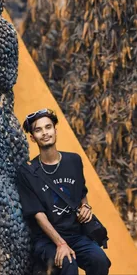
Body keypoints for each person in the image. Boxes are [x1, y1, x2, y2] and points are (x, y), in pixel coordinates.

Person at [17, 108, 111, 275]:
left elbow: (81, 192)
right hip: (47, 240)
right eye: (38, 130)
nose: (44, 133)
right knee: (68, 264)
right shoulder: (28, 172)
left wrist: (85, 208)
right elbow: (38, 215)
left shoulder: (74, 160)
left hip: (76, 235)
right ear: (32, 137)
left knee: (100, 261)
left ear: (55, 130)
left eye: (48, 127)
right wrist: (60, 243)